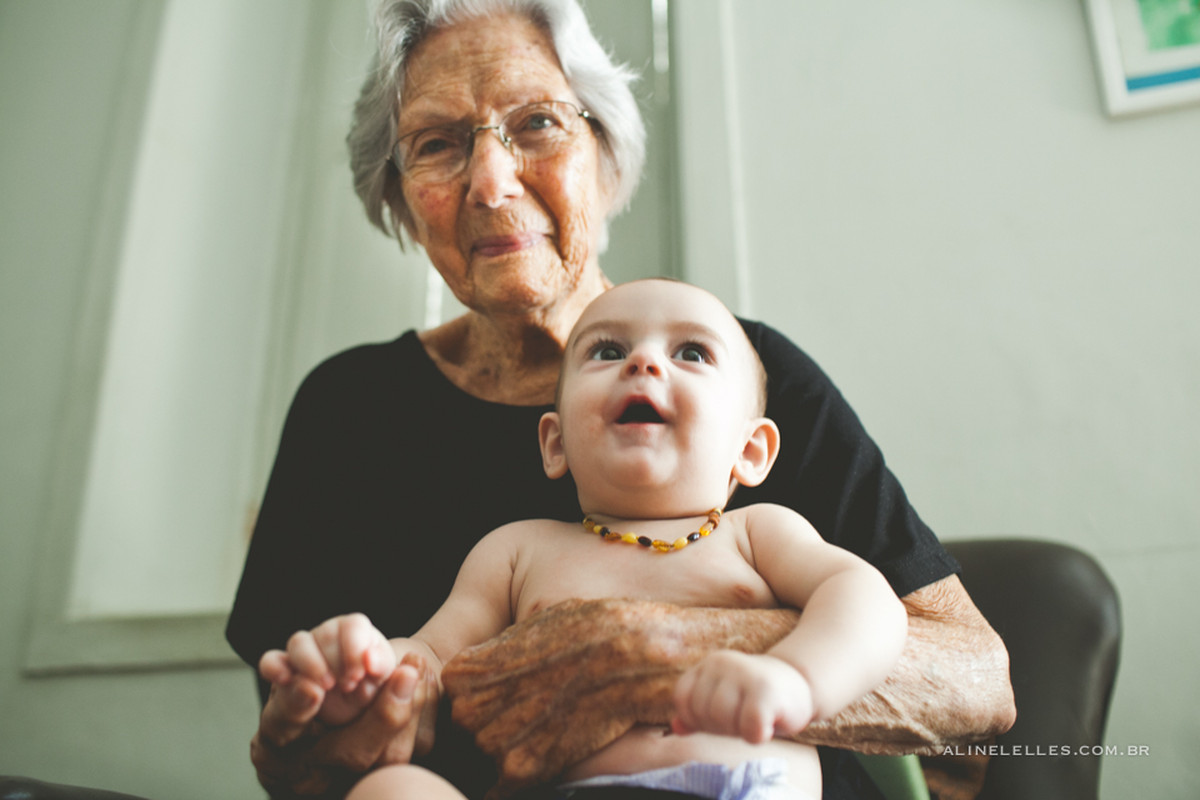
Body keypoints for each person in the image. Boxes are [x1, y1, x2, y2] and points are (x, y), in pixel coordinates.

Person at [225, 1, 1015, 798]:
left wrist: (647, 653)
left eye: (536, 124)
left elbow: (977, 685)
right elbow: (301, 768)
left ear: (605, 163)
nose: (492, 184)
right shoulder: (347, 411)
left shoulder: (746, 377)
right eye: (437, 145)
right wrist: (360, 701)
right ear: (398, 201)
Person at [260, 279, 910, 800]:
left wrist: (796, 680)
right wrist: (367, 669)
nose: (644, 362)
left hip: (742, 787)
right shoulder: (517, 550)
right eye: (605, 351)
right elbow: (431, 657)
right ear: (555, 442)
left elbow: (864, 597)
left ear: (752, 450)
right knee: (389, 789)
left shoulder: (760, 533)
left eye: (692, 353)